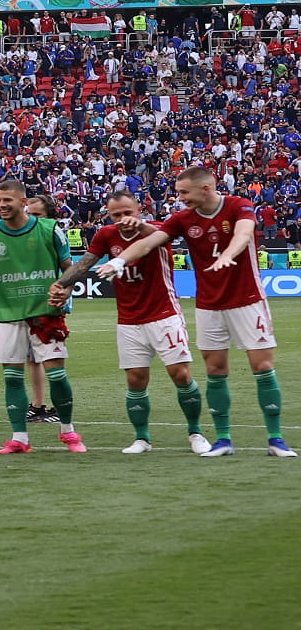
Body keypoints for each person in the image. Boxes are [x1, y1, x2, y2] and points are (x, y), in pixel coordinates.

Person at [102, 168, 290, 458]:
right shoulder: (182, 219)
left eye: (184, 193)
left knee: (263, 367)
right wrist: (118, 263)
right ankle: (223, 440)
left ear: (205, 188)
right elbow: (149, 242)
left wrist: (229, 254)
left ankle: (276, 439)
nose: (180, 198)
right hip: (208, 304)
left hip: (248, 299)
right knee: (215, 371)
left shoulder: (238, 205)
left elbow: (243, 233)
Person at [50, 191, 210, 455]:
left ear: (138, 210)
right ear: (109, 215)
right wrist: (61, 285)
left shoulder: (157, 230)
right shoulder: (106, 236)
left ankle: (195, 432)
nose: (123, 219)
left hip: (164, 314)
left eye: (128, 213)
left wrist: (142, 226)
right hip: (129, 319)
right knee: (136, 380)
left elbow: (158, 235)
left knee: (180, 374)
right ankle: (142, 438)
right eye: (116, 215)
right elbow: (85, 263)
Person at [0, 182, 83, 455]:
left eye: (7, 199)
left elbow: (70, 268)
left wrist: (64, 290)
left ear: (23, 202)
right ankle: (20, 438)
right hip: (8, 314)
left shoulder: (49, 229)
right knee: (12, 378)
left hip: (46, 314)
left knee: (56, 374)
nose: (1, 204)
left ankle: (68, 432)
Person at [21, 193, 61, 423]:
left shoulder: (50, 233)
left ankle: (54, 406)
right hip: (27, 300)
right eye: (30, 214)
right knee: (32, 358)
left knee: (50, 355)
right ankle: (38, 405)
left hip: (48, 300)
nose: (32, 219)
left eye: (37, 215)